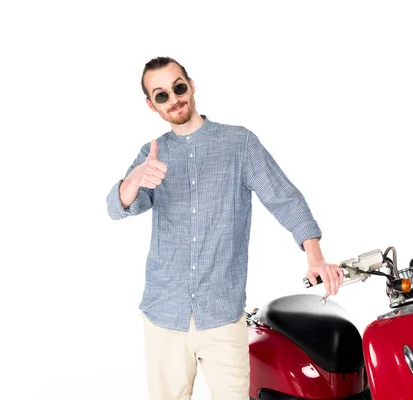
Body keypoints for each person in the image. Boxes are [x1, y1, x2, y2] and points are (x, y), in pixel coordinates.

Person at [106, 57, 344, 400]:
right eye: (161, 95)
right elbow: (117, 208)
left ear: (191, 84)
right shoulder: (152, 155)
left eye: (178, 87)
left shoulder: (239, 144)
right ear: (150, 104)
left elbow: (285, 199)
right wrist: (134, 178)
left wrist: (315, 257)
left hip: (222, 315)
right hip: (163, 316)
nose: (173, 99)